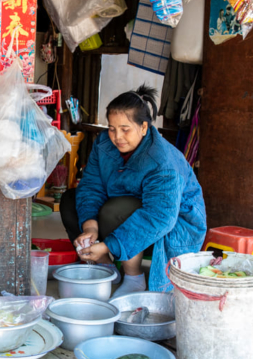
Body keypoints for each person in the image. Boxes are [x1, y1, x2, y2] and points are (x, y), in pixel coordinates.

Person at [60, 85, 207, 297]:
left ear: (144, 128)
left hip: (173, 223)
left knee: (116, 209)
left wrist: (108, 245)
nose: (117, 136)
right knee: (69, 201)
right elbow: (91, 185)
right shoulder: (104, 144)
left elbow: (160, 216)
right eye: (112, 128)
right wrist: (90, 228)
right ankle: (105, 267)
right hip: (126, 211)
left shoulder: (160, 160)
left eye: (125, 129)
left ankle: (133, 277)